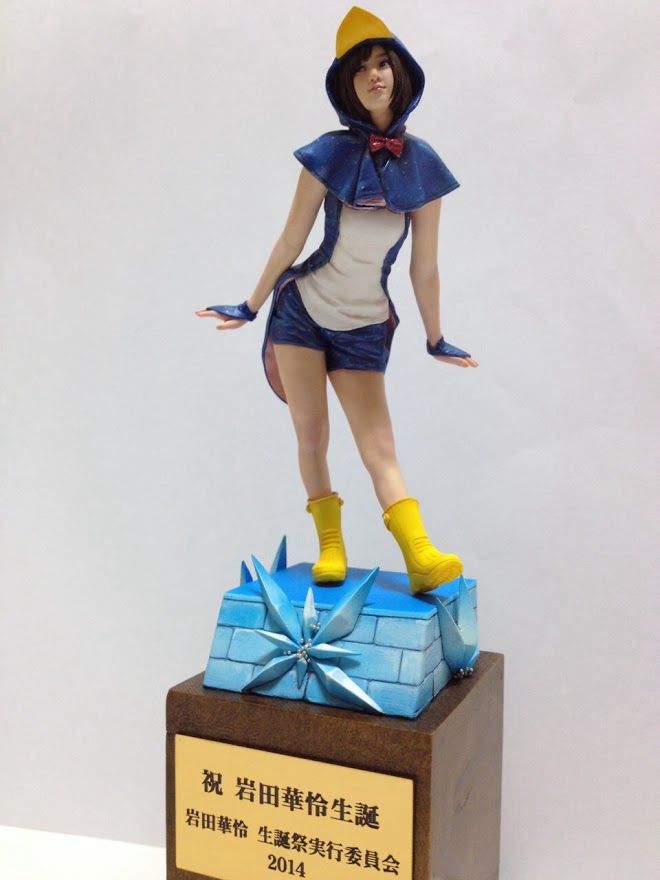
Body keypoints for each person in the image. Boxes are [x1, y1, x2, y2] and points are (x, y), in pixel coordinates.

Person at [196, 6, 478, 594]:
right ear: (347, 84)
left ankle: (420, 556)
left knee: (379, 445)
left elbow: (425, 268)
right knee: (312, 434)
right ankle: (330, 545)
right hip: (302, 311)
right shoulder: (327, 155)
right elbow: (291, 240)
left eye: (383, 64)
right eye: (360, 68)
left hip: (365, 323)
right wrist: (250, 305)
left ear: (400, 74)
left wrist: (435, 337)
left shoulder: (424, 167)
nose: (374, 75)